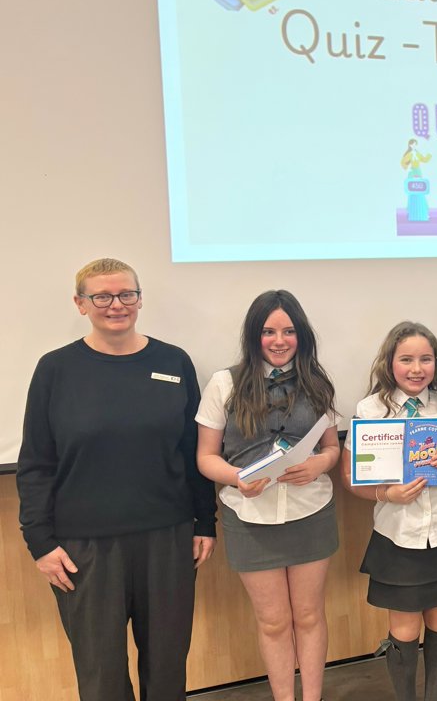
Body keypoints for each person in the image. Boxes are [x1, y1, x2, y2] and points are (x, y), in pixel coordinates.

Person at [17, 258, 216, 701]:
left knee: (167, 670)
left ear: (140, 299)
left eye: (127, 294)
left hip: (168, 537)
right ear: (80, 303)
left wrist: (206, 522)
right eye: (102, 297)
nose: (116, 305)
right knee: (102, 674)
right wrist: (40, 542)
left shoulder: (174, 360)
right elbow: (36, 463)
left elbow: (193, 450)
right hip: (84, 548)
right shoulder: (56, 369)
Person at [195, 290, 340, 701]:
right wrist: (238, 476)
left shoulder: (317, 380)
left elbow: (331, 448)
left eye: (289, 331)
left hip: (311, 512)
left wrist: (320, 463)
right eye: (269, 331)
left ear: (302, 335)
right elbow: (206, 458)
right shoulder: (224, 383)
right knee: (274, 622)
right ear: (253, 335)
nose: (280, 340)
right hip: (249, 517)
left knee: (310, 616)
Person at [342, 321, 437, 701]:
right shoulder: (370, 410)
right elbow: (351, 475)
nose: (416, 368)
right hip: (398, 534)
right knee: (403, 629)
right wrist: (386, 493)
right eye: (406, 359)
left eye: (425, 359)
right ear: (389, 363)